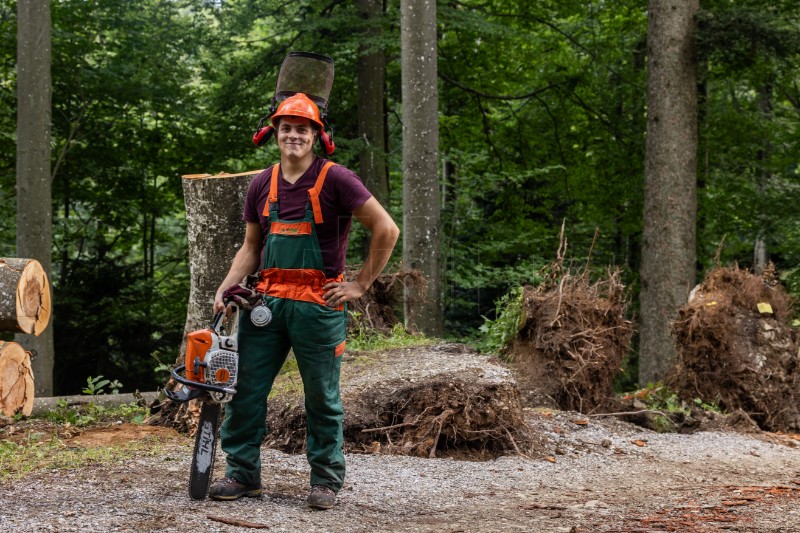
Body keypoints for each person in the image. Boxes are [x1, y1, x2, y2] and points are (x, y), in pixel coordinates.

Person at [208, 93, 399, 509]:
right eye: (286, 128)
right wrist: (227, 288)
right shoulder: (262, 183)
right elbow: (250, 247)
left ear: (317, 136)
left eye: (303, 129)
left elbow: (387, 229)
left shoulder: (337, 180)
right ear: (274, 133)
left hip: (319, 304)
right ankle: (242, 475)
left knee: (322, 396)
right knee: (245, 390)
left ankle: (326, 481)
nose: (293, 135)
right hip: (268, 304)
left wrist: (361, 284)